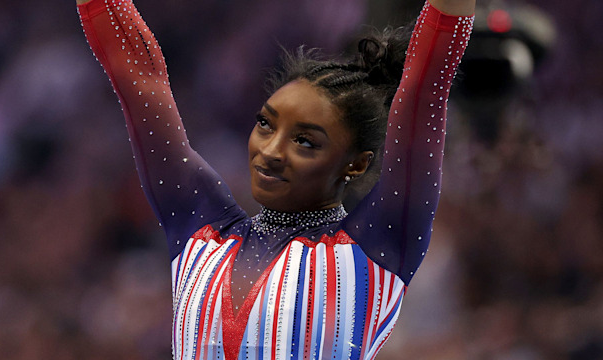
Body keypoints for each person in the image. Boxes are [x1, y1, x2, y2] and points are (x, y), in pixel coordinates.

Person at [76, 0, 474, 358]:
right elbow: (136, 72)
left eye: (305, 141)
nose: (270, 151)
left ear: (355, 164)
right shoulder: (201, 230)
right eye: (266, 124)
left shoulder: (380, 245)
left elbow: (425, 88)